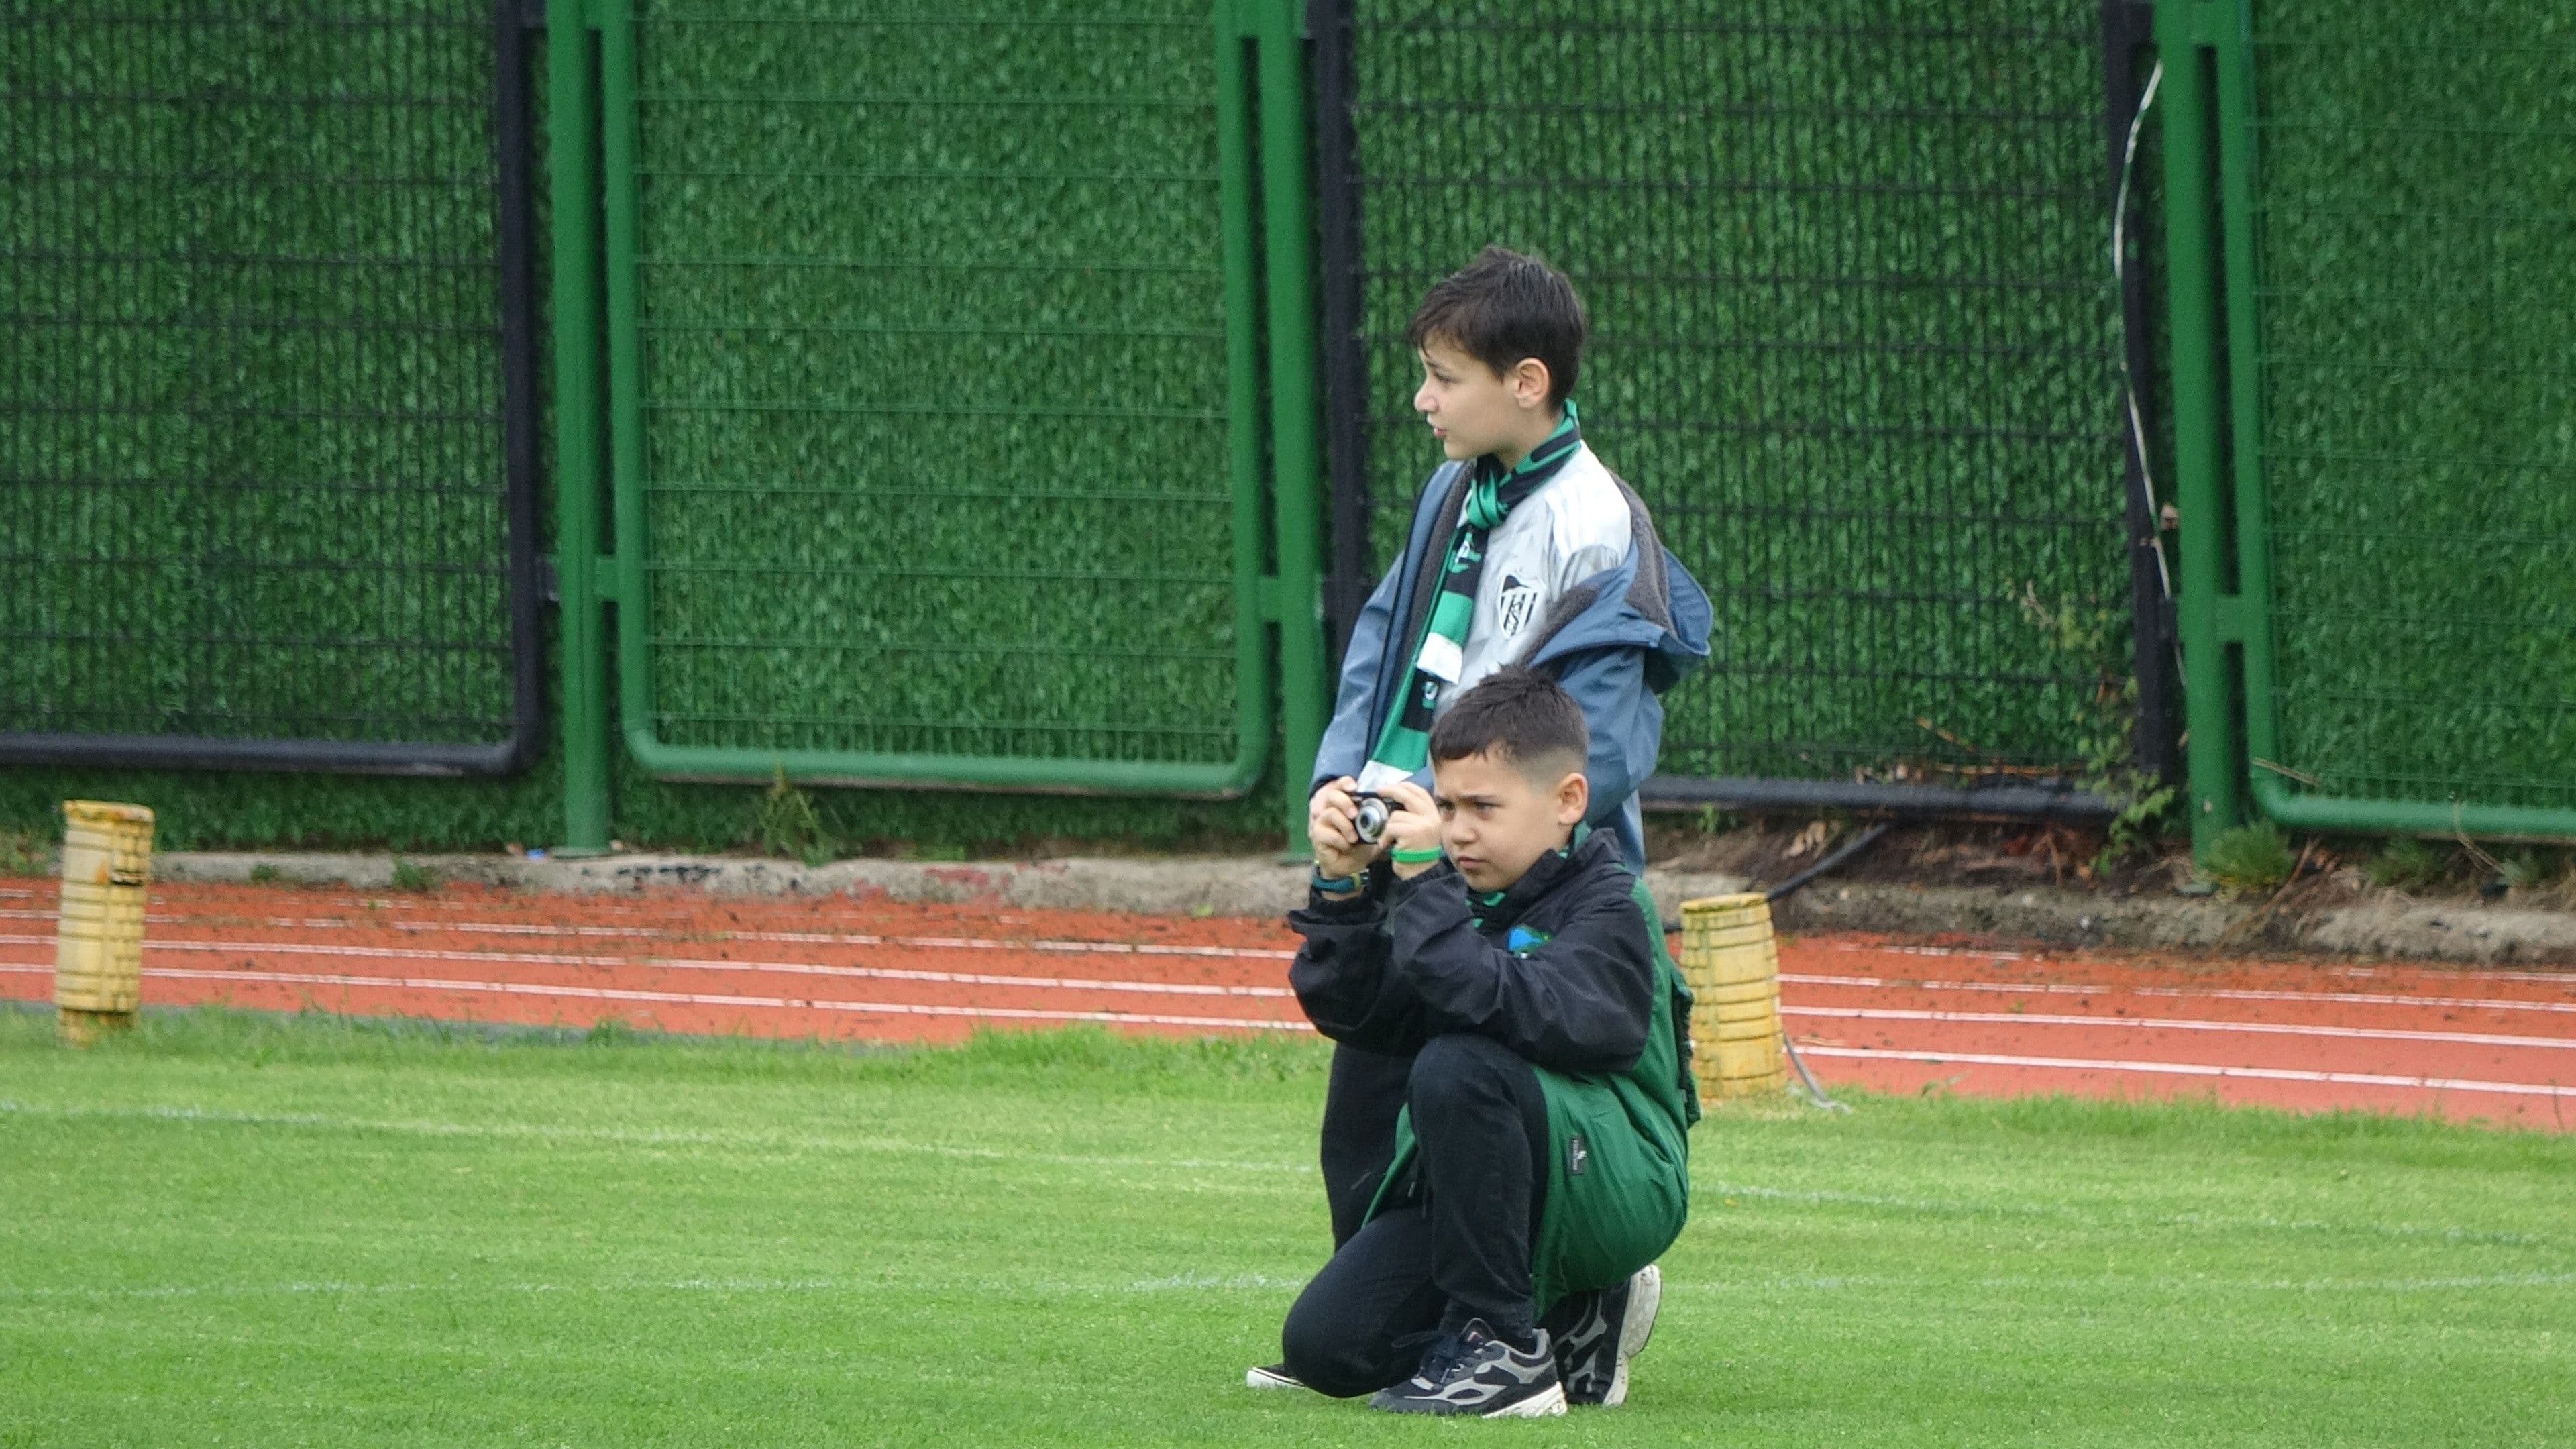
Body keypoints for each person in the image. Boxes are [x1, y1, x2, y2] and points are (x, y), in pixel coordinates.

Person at [1267, 667, 1698, 1416]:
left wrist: (1426, 888)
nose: (1458, 830)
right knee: (1327, 1349)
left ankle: (1504, 1348)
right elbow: (1362, 1017)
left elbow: (1512, 1005)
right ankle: (1569, 1323)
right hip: (1493, 1186)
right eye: (1445, 805)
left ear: (1568, 801)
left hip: (1622, 1182)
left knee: (1460, 1063)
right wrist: (1340, 889)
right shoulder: (1451, 891)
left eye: (1482, 807)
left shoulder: (1609, 902)